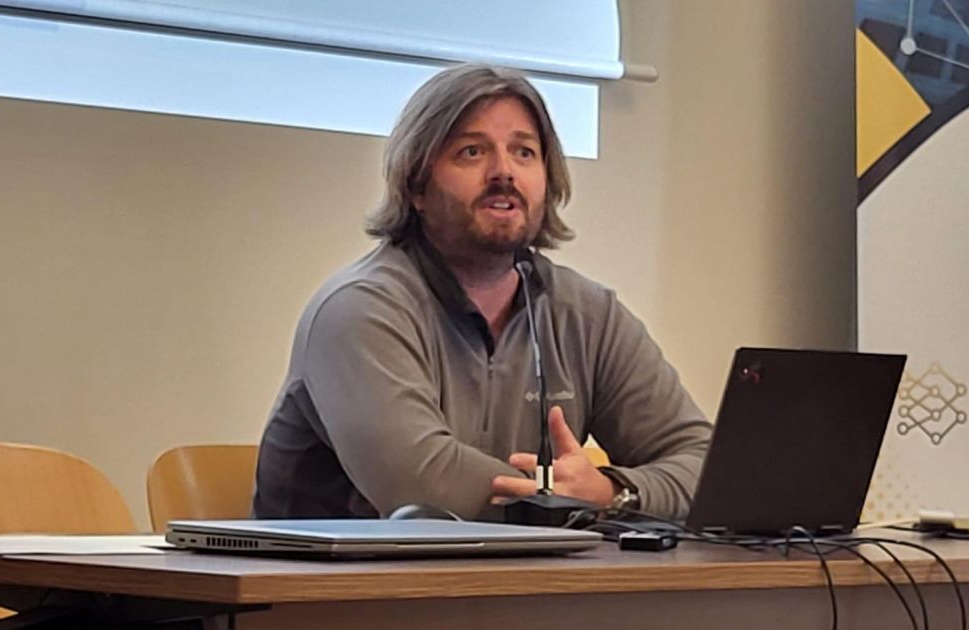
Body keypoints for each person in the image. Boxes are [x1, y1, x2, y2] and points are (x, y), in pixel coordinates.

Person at [252, 64, 712, 521]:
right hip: (334, 589)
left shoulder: (587, 314)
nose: (503, 172)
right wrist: (568, 499)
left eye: (524, 152)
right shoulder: (358, 310)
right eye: (472, 152)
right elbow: (426, 491)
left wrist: (615, 492)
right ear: (416, 185)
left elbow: (705, 465)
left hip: (524, 586)